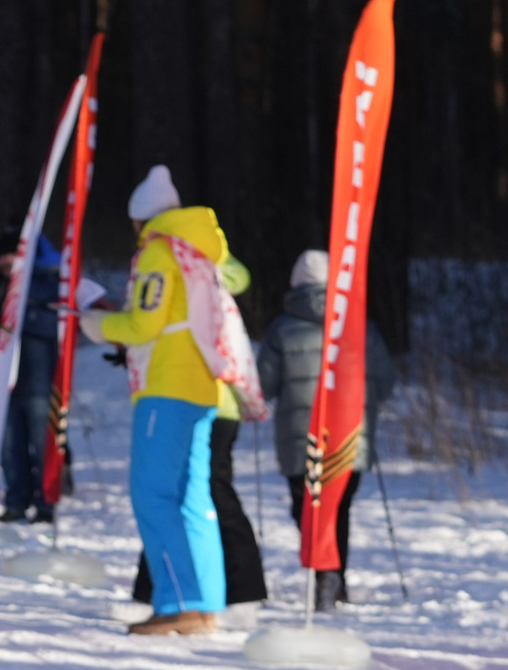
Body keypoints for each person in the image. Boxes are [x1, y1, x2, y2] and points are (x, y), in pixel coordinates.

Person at [83, 165, 239, 635]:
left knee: (152, 493)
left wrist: (95, 325)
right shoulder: (201, 246)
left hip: (165, 385)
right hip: (203, 385)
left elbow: (144, 325)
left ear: (140, 220)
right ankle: (205, 603)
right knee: (193, 496)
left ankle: (178, 602)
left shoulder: (158, 250)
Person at [256, 248, 399, 610]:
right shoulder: (359, 325)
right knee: (340, 508)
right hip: (351, 435)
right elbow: (385, 380)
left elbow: (265, 385)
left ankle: (324, 576)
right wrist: (367, 407)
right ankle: (334, 580)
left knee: (307, 509)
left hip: (300, 440)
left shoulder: (281, 328)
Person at [129, 252, 268, 612]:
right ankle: (175, 592)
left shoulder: (191, 278)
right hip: (213, 401)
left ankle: (236, 592)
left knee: (192, 493)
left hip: (202, 399)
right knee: (187, 492)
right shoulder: (207, 278)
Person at [0, 225, 65, 522]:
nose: (6, 266)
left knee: (42, 443)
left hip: (38, 380)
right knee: (9, 447)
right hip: (2, 383)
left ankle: (45, 504)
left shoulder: (44, 282)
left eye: (11, 259)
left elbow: (52, 321)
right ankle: (16, 500)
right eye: (1, 261)